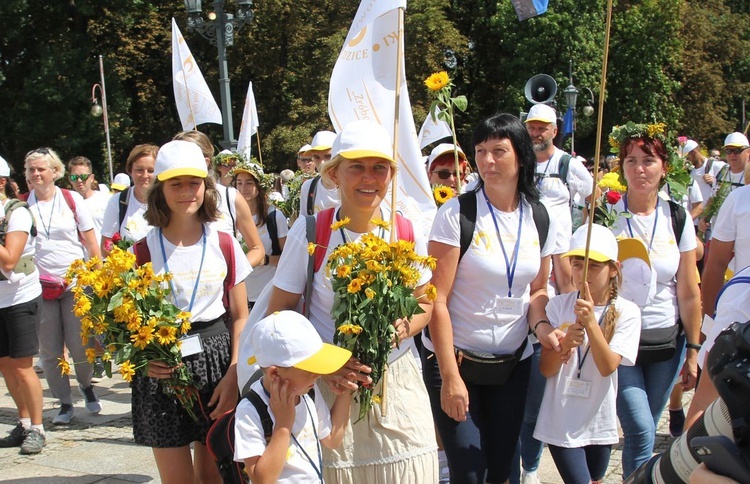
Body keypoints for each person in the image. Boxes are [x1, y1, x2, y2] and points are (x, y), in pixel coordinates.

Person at [268, 120, 438, 483]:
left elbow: (426, 302)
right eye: (356, 167)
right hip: (329, 384)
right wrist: (324, 367)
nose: (368, 178)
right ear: (334, 174)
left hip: (397, 381)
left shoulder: (405, 231)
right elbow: (279, 312)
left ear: (391, 175)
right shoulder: (311, 230)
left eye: (379, 168)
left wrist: (403, 328)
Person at [424, 113, 561, 484]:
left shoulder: (539, 217)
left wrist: (543, 325)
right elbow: (436, 299)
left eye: (498, 151)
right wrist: (450, 376)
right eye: (481, 151)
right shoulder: (457, 214)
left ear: (521, 157)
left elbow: (538, 289)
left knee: (503, 473)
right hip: (457, 363)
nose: (487, 161)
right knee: (469, 474)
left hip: (512, 365)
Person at [132, 140, 251, 483]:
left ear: (206, 186)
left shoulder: (223, 242)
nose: (187, 192)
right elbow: (128, 322)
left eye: (194, 183)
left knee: (215, 474)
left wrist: (234, 374)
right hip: (162, 371)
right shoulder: (142, 250)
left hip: (217, 365)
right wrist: (143, 360)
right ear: (160, 190)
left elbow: (240, 315)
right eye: (176, 184)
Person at [606, 124, 702, 478]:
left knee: (642, 432)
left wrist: (693, 349)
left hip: (667, 342)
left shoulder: (676, 217)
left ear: (665, 166)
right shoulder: (605, 215)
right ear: (621, 167)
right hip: (620, 340)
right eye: (631, 160)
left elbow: (689, 290)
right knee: (641, 428)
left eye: (648, 160)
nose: (639, 169)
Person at [534, 224, 641, 484]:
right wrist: (565, 344)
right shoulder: (559, 305)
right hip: (561, 421)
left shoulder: (628, 311)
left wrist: (592, 323)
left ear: (614, 268)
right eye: (578, 264)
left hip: (598, 421)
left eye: (593, 266)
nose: (583, 273)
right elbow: (546, 369)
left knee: (595, 480)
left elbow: (608, 367)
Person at [24, 147, 102, 425]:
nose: (35, 174)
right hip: (39, 287)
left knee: (80, 344)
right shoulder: (23, 205)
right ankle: (64, 402)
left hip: (75, 284)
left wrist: (98, 277)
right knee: (49, 349)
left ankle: (87, 387)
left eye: (40, 169)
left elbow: (91, 243)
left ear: (55, 172)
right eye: (31, 169)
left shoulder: (71, 200)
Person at [235, 310, 353, 483]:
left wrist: (346, 391)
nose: (318, 374)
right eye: (309, 369)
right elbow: (262, 480)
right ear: (275, 373)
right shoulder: (250, 409)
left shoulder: (308, 392)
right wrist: (283, 425)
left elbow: (332, 439)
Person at [0, 156, 45, 454]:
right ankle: (24, 422)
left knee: (23, 366)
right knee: (5, 366)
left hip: (20, 298)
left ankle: (39, 429)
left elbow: (9, 259)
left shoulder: (17, 213)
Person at [173, 131, 265, 268]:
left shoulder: (230, 197)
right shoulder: (167, 197)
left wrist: (232, 273)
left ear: (206, 161)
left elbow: (257, 249)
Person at [232, 160, 288, 308]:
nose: (243, 188)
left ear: (259, 186)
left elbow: (288, 259)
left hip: (268, 293)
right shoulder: (229, 217)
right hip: (240, 295)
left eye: (249, 183)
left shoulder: (275, 217)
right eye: (239, 183)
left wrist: (265, 259)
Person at [100, 144, 158, 255]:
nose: (145, 175)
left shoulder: (168, 200)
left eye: (151, 170)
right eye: (139, 170)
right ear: (130, 170)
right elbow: (105, 245)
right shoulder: (118, 201)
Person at [67, 156, 112, 248]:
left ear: (91, 178)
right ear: (70, 179)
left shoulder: (107, 200)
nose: (79, 180)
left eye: (83, 176)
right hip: (79, 259)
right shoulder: (65, 204)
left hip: (104, 258)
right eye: (74, 177)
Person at [298, 130, 340, 215]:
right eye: (317, 157)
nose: (322, 163)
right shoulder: (308, 187)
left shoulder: (350, 186)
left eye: (328, 156)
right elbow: (304, 221)